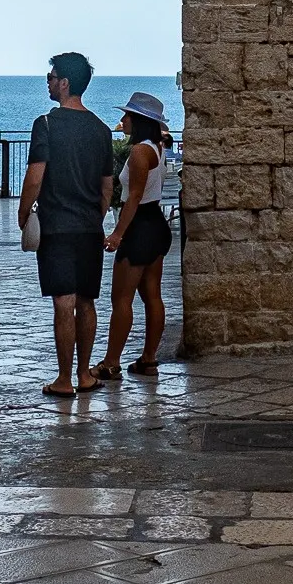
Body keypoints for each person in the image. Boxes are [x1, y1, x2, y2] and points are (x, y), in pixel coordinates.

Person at [17, 52, 116, 398]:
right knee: (87, 301)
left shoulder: (45, 124)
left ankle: (63, 379)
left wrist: (23, 212)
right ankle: (85, 374)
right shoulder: (102, 130)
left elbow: (35, 176)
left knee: (64, 301)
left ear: (64, 83)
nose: (47, 80)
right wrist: (97, 215)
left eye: (51, 75)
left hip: (57, 228)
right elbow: (108, 185)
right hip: (90, 227)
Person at [95, 92, 173, 381]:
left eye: (127, 115)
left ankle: (111, 362)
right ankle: (148, 359)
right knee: (152, 295)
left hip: (139, 227)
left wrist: (117, 233)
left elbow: (134, 196)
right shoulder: (158, 146)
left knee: (122, 299)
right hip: (156, 224)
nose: (122, 120)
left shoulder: (140, 151)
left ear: (138, 120)